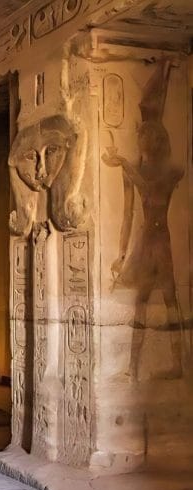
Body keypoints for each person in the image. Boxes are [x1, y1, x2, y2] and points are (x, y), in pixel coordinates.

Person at [102, 59, 185, 381]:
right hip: (144, 242)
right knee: (140, 303)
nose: (140, 139)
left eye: (145, 135)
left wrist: (124, 161)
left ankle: (178, 365)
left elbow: (152, 192)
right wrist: (121, 254)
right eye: (139, 135)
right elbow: (126, 215)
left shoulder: (169, 172)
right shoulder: (136, 172)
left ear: (157, 139)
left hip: (160, 240)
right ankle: (132, 368)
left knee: (169, 300)